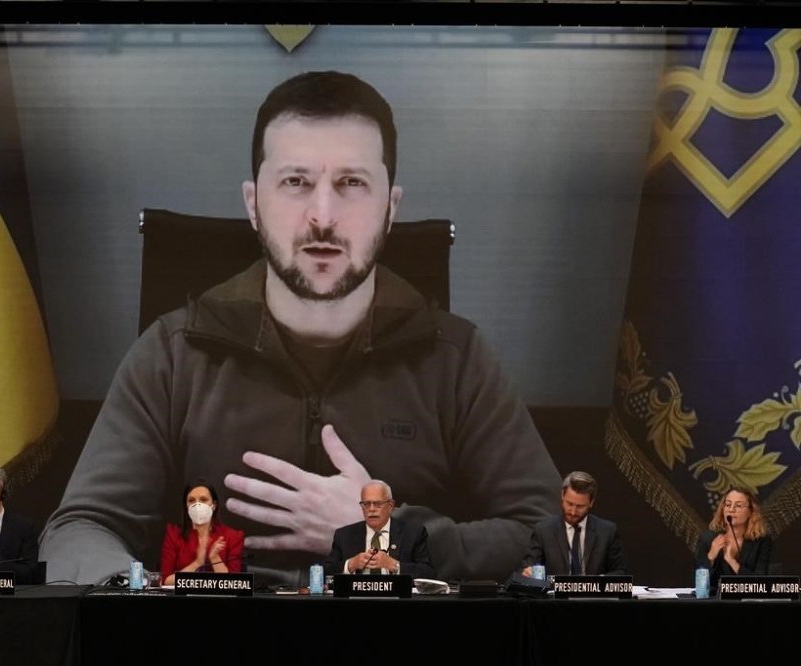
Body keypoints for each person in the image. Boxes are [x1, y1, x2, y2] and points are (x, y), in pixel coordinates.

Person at [40, 69, 561, 587]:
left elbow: (553, 541)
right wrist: (137, 596)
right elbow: (79, 529)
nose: (322, 215)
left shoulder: (457, 358)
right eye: (296, 182)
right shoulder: (171, 356)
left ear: (389, 209)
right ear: (253, 204)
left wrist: (383, 536)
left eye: (351, 183)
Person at [520, 471, 627, 577]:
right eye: (569, 504)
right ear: (562, 495)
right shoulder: (543, 530)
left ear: (591, 502)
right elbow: (527, 567)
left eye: (580, 506)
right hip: (555, 593)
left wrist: (598, 582)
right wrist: (528, 572)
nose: (573, 512)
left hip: (592, 593)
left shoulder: (607, 531)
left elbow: (620, 572)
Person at [325, 480, 435, 578]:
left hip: (398, 599)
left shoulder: (412, 534)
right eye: (366, 504)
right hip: (357, 599)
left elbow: (428, 573)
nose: (371, 509)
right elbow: (325, 572)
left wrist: (394, 566)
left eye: (377, 504)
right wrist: (350, 565)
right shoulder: (344, 535)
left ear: (391, 505)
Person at [161, 480, 246, 585]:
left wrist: (214, 558)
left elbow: (234, 584)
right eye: (191, 500)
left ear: (214, 505)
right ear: (186, 506)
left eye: (203, 500)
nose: (197, 505)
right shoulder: (174, 534)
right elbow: (166, 581)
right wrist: (197, 563)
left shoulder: (232, 536)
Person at [694, 487, 771, 592]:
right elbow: (700, 586)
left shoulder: (761, 540)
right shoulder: (708, 538)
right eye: (728, 504)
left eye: (738, 506)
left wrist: (732, 561)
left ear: (751, 511)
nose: (731, 509)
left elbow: (761, 583)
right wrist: (711, 556)